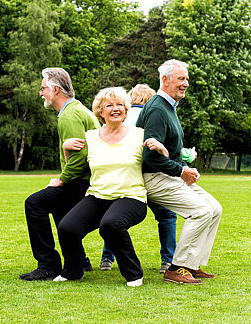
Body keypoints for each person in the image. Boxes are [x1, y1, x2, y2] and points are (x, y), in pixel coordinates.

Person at [54, 87, 167, 287]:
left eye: (120, 105)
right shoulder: (90, 137)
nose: (116, 109)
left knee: (111, 224)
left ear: (126, 109)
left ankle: (134, 275)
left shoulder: (139, 135)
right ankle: (73, 271)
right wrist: (66, 149)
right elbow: (77, 168)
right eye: (109, 105)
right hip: (98, 197)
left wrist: (162, 150)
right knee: (67, 227)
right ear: (100, 111)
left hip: (131, 198)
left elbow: (160, 164)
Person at [136, 60, 223, 285]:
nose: (185, 84)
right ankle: (176, 269)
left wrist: (183, 167)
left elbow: (168, 151)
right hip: (154, 178)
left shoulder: (169, 107)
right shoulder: (157, 108)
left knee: (214, 208)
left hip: (169, 175)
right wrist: (181, 170)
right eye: (181, 79)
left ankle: (191, 265)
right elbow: (150, 156)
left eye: (186, 79)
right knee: (201, 211)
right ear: (165, 80)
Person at [99, 84, 196, 274]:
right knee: (167, 216)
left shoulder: (120, 117)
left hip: (127, 177)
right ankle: (168, 261)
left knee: (114, 219)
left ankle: (107, 258)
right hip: (153, 174)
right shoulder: (156, 114)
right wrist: (188, 156)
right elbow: (165, 146)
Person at [19, 67, 100, 281]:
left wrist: (62, 179)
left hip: (82, 181)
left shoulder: (69, 115)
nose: (41, 92)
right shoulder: (75, 110)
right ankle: (79, 259)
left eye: (43, 88)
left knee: (34, 203)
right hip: (88, 179)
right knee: (57, 206)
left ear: (55, 90)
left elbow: (80, 157)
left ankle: (48, 264)